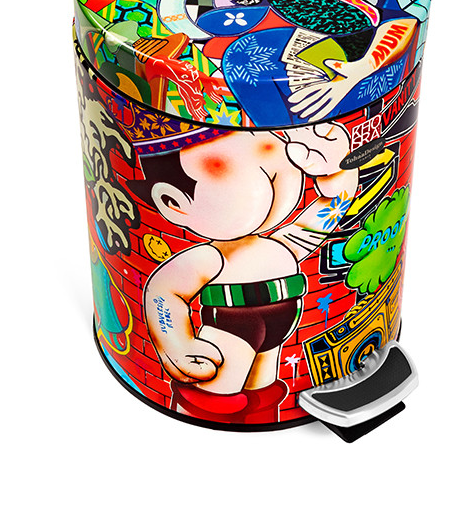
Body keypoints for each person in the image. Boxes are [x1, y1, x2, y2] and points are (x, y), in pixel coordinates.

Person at [130, 123, 359, 423]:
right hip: (231, 327)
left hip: (277, 330)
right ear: (175, 203)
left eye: (264, 141)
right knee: (213, 400)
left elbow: (330, 209)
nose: (269, 154)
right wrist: (176, 343)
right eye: (228, 157)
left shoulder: (283, 244)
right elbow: (164, 292)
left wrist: (339, 171)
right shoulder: (210, 257)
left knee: (263, 395)